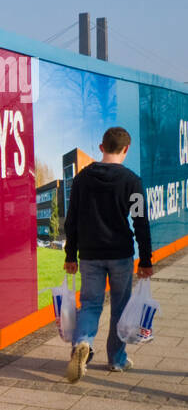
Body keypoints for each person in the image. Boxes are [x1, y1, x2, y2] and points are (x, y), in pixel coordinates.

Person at [62, 126, 153, 382]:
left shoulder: (81, 178)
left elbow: (72, 221)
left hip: (89, 254)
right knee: (119, 307)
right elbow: (140, 222)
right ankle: (116, 360)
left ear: (101, 148)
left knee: (90, 304)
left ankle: (82, 343)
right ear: (126, 149)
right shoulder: (132, 181)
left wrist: (70, 255)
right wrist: (145, 260)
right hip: (120, 254)